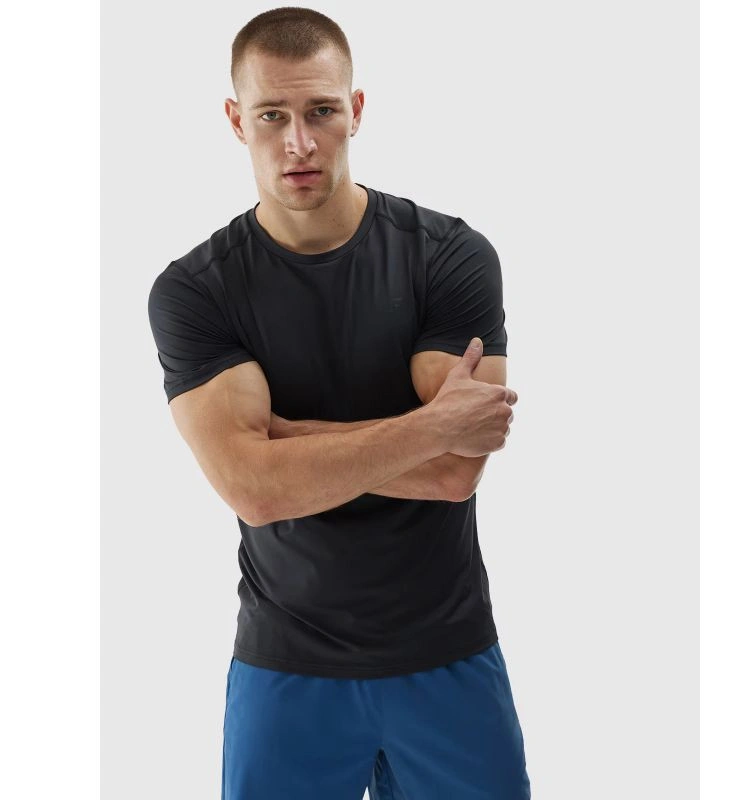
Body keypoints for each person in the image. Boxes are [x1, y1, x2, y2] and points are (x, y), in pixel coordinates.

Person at [147, 6, 531, 799]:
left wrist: (287, 445)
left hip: (448, 656)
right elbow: (254, 490)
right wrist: (429, 426)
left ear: (355, 110)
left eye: (321, 110)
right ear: (236, 120)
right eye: (272, 116)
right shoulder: (196, 291)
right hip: (287, 667)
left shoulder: (449, 256)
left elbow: (456, 471)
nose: (299, 142)